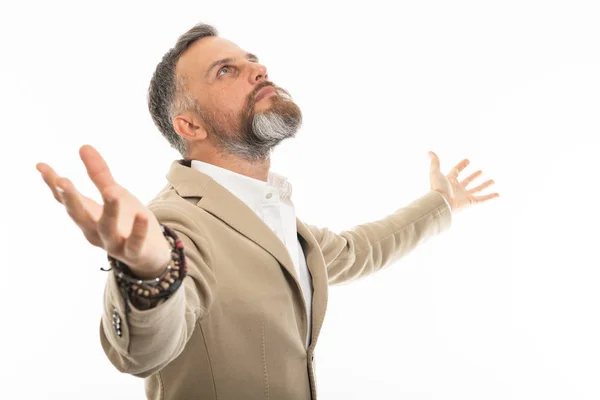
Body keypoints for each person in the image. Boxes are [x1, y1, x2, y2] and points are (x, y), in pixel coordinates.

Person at [36, 22, 499, 400]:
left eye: (251, 60)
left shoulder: (272, 215)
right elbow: (143, 353)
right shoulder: (175, 224)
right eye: (226, 71)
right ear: (190, 124)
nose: (258, 70)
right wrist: (150, 271)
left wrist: (442, 202)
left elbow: (359, 249)